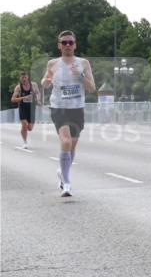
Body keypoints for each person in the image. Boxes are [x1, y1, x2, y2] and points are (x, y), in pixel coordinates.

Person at [41, 31, 97, 197]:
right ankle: (66, 183)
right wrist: (46, 81)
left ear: (75, 44)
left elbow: (92, 88)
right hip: (59, 107)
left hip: (77, 108)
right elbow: (45, 82)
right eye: (64, 42)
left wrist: (79, 75)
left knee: (71, 145)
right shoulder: (53, 63)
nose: (67, 45)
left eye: (70, 42)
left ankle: (62, 173)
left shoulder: (83, 63)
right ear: (59, 45)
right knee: (65, 141)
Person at [11, 71, 40, 149]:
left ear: (28, 77)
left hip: (31, 109)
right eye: (22, 77)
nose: (24, 79)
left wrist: (38, 100)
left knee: (30, 128)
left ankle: (25, 130)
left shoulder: (33, 85)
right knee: (24, 125)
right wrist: (24, 98)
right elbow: (13, 99)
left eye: (25, 77)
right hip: (23, 108)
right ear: (20, 78)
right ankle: (25, 142)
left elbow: (37, 93)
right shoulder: (18, 87)